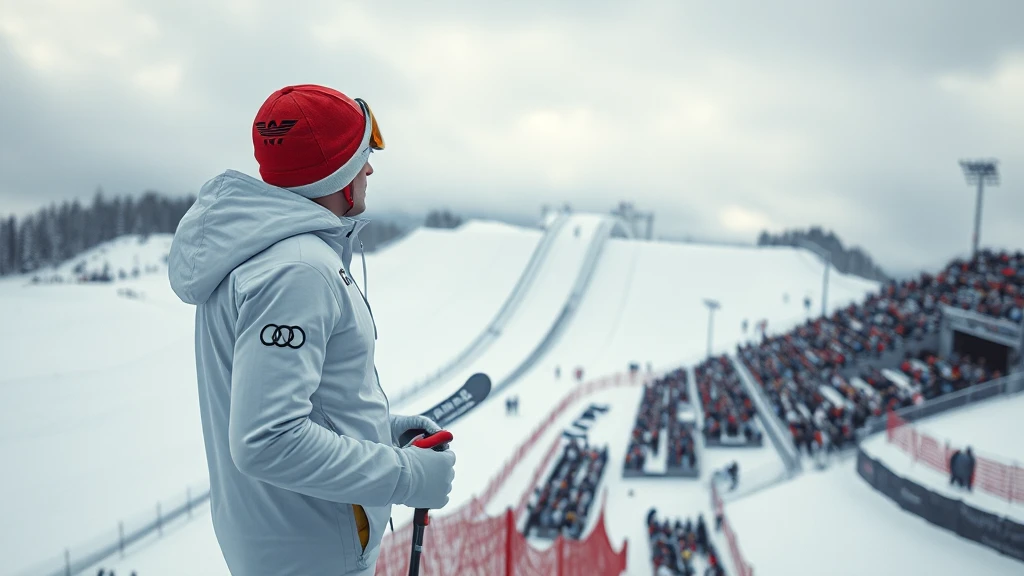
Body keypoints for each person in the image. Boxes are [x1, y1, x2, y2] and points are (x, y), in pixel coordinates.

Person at [167, 84, 456, 576]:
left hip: (289, 544)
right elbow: (268, 439)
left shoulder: (257, 250)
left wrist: (375, 433)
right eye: (363, 153)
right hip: (313, 554)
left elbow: (277, 406)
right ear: (337, 172)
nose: (369, 167)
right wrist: (406, 476)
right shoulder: (297, 270)